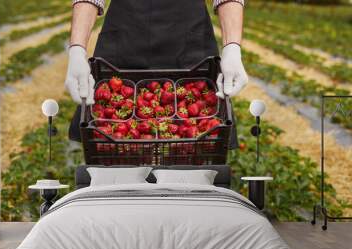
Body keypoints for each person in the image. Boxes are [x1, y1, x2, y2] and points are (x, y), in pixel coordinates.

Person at [66, 0, 248, 147]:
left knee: (195, 148)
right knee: (111, 148)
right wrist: (77, 49)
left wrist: (232, 47)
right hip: (124, 43)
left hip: (189, 45)